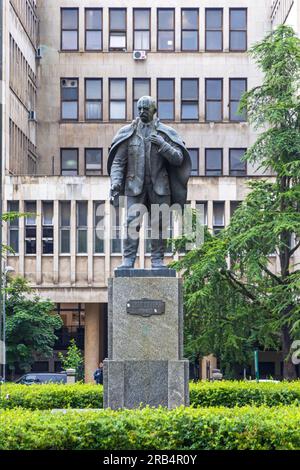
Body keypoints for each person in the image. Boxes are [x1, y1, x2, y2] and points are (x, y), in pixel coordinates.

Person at [107, 95, 191, 269]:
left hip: (160, 188)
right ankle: (128, 260)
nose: (142, 112)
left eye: (146, 109)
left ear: (154, 111)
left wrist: (163, 144)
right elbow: (118, 161)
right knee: (131, 223)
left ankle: (157, 261)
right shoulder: (129, 132)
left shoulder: (165, 133)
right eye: (139, 109)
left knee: (159, 224)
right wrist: (115, 182)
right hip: (134, 188)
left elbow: (178, 159)